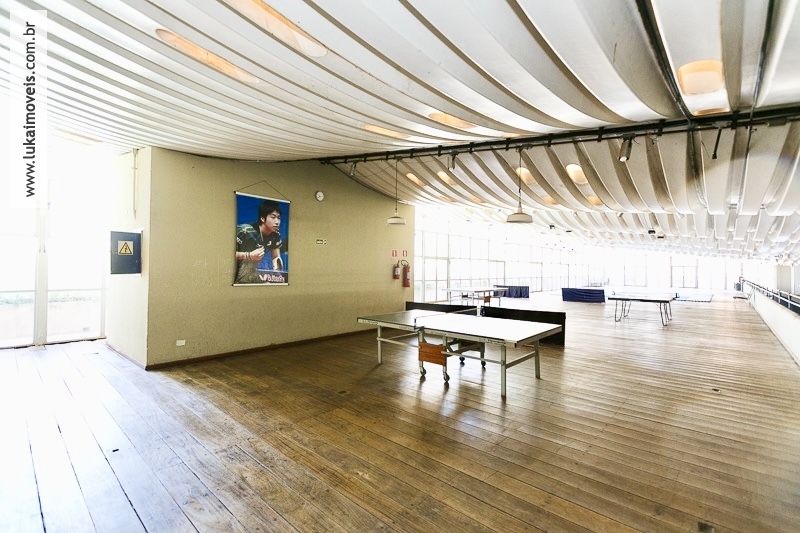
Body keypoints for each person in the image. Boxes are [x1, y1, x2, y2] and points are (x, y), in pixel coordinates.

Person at [235, 199, 285, 284]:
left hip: (250, 275)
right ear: (262, 218)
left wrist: (277, 272)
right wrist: (249, 255)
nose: (277, 222)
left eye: (279, 218)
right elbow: (225, 254)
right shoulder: (244, 231)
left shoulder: (275, 235)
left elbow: (276, 256)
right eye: (273, 217)